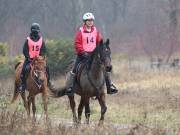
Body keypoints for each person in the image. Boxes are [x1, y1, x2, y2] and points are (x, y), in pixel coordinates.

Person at [66, 12, 118, 95]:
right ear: (85, 22)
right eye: (88, 20)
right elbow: (77, 43)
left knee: (104, 68)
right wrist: (82, 52)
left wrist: (102, 49)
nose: (90, 22)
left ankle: (110, 86)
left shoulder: (96, 31)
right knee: (75, 68)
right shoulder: (80, 31)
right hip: (82, 55)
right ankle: (70, 87)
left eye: (91, 20)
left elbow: (100, 42)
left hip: (94, 55)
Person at [18, 23, 53, 92]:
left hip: (39, 60)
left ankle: (48, 82)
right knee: (25, 69)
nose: (35, 33)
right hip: (29, 59)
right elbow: (25, 50)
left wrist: (41, 57)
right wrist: (28, 57)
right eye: (34, 31)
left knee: (47, 68)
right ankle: (23, 84)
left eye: (36, 31)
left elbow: (43, 50)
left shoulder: (41, 40)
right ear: (32, 31)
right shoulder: (28, 40)